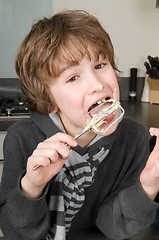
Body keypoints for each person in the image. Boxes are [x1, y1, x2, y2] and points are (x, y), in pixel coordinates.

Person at [0, 10, 159, 240]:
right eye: (73, 78)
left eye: (100, 65)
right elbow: (15, 232)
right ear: (49, 101)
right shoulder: (21, 139)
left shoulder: (133, 139)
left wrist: (147, 185)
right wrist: (31, 187)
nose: (97, 84)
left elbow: (111, 225)